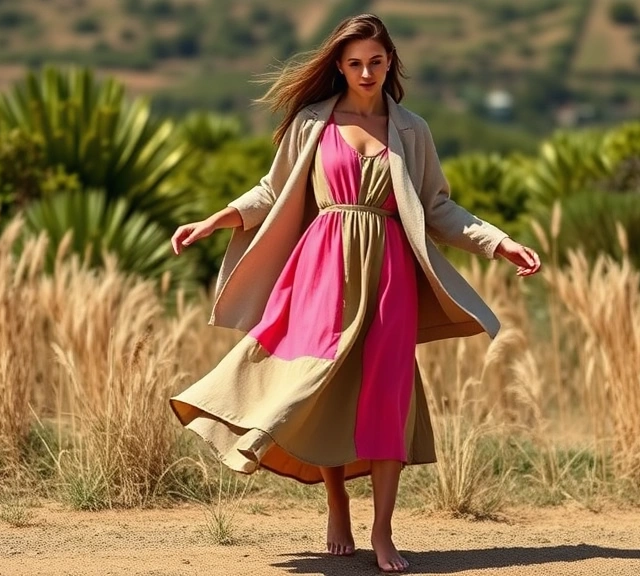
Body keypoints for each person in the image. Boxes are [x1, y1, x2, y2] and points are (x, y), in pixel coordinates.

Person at [168, 13, 540, 573]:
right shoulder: (311, 123)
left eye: (376, 61)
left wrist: (498, 242)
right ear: (339, 66)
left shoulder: (412, 130)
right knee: (320, 382)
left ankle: (383, 529)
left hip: (390, 271)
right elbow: (272, 190)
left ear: (391, 63)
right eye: (355, 63)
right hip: (321, 269)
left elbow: (438, 207)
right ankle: (337, 503)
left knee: (388, 394)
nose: (366, 72)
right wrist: (215, 220)